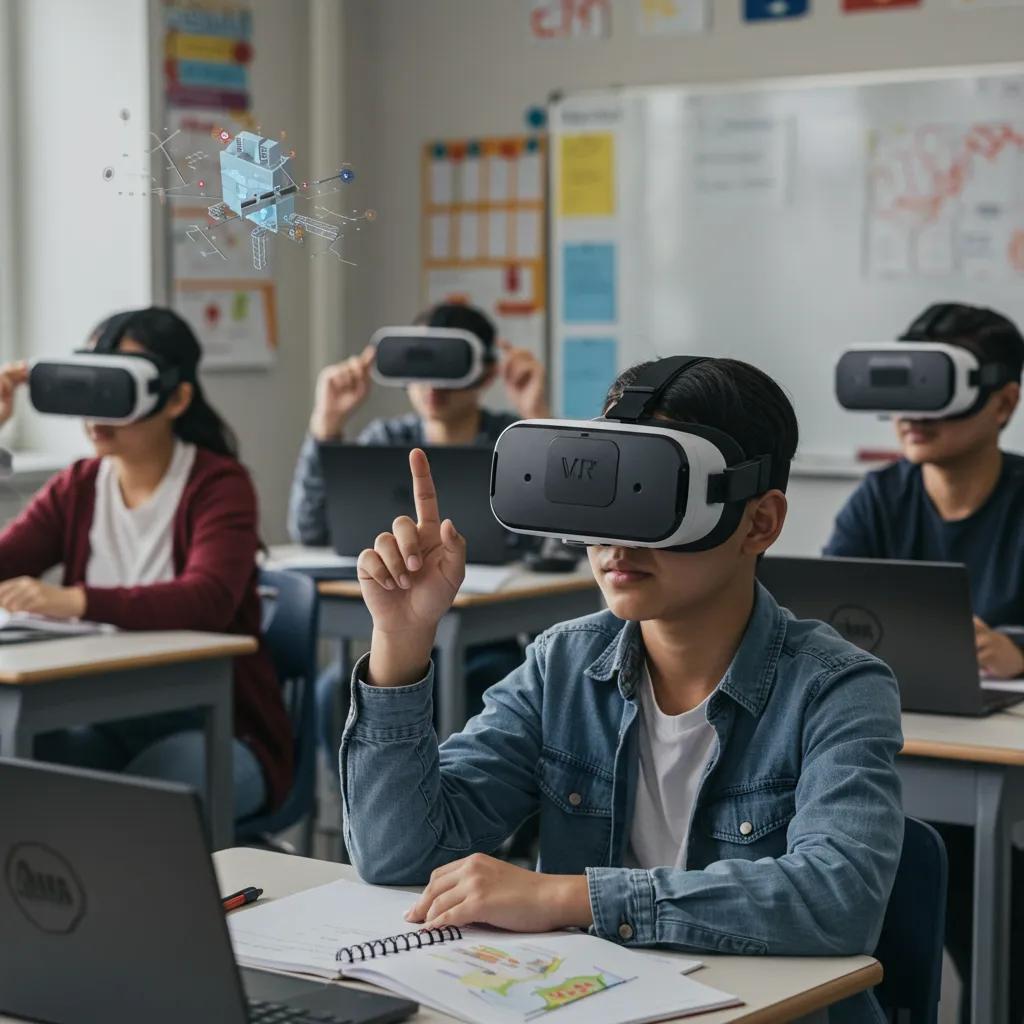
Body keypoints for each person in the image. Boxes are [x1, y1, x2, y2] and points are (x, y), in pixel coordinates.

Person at [341, 357, 905, 1024]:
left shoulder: (838, 689)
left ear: (758, 523)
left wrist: (566, 898)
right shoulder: (563, 665)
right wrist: (402, 643)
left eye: (654, 500)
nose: (616, 540)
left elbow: (838, 900)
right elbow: (396, 854)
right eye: (605, 497)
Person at [0, 307, 291, 818]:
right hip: (100, 719)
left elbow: (209, 600)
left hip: (217, 731)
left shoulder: (218, 485)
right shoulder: (80, 485)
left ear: (176, 397)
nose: (98, 410)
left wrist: (75, 601)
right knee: (24, 785)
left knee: (123, 815)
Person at [824, 302, 1024, 1023]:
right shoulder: (880, 498)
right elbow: (821, 619)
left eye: (934, 388)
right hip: (892, 749)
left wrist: (1019, 650)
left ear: (1004, 401)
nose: (912, 413)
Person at [289, 302, 549, 740]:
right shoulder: (385, 441)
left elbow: (555, 539)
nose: (432, 385)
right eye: (419, 364)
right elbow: (309, 528)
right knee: (331, 692)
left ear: (485, 374)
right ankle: (361, 805)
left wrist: (538, 414)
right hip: (394, 635)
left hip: (483, 643)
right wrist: (328, 424)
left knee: (482, 695)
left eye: (448, 367)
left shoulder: (518, 441)